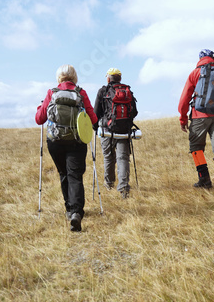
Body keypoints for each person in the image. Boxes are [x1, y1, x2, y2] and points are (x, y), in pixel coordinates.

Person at [35, 64, 98, 232]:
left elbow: (39, 119)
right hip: (76, 141)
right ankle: (77, 212)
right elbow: (92, 118)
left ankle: (69, 209)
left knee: (64, 174)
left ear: (59, 78)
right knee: (75, 175)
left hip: (55, 141)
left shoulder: (52, 93)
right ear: (74, 77)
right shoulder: (81, 93)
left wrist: (40, 108)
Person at [178, 49, 214, 197]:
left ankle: (204, 179)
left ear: (199, 59)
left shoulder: (194, 73)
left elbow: (185, 98)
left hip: (199, 116)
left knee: (196, 146)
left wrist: (183, 118)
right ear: (213, 58)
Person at [93, 68, 138, 199]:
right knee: (123, 158)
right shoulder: (127, 91)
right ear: (120, 78)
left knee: (108, 157)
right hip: (124, 130)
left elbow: (96, 112)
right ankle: (123, 189)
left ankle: (109, 184)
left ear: (108, 78)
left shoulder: (103, 91)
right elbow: (134, 111)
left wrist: (96, 128)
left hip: (107, 129)